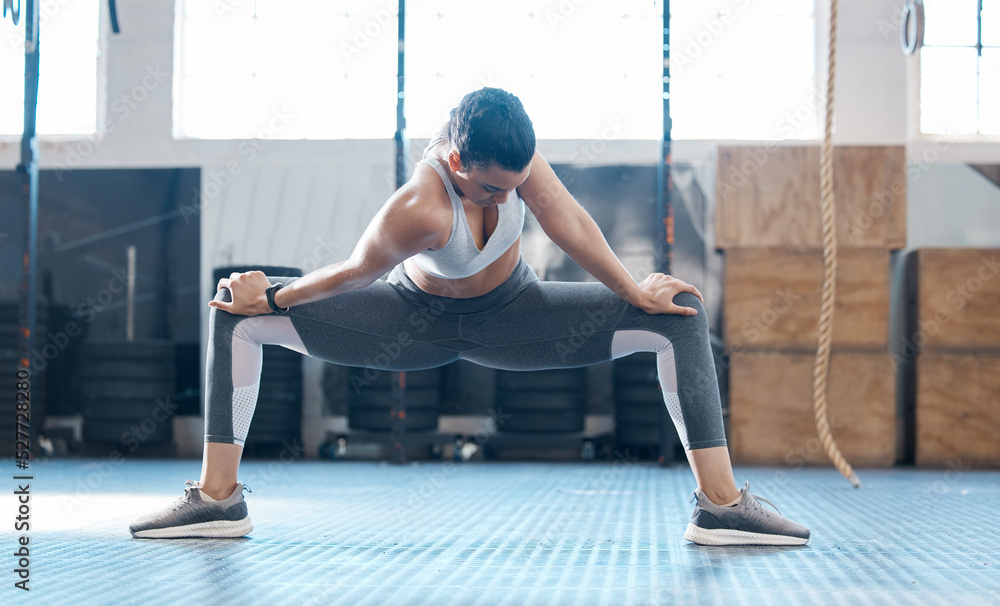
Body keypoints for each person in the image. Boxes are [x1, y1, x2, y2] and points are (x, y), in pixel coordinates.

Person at [129, 87, 809, 546]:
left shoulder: (513, 158)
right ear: (455, 160)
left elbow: (566, 219)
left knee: (679, 318)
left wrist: (634, 289)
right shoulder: (418, 208)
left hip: (516, 314)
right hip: (408, 323)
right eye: (488, 186)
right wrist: (270, 297)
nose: (504, 195)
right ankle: (220, 501)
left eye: (512, 186)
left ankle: (720, 510)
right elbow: (352, 272)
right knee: (233, 313)